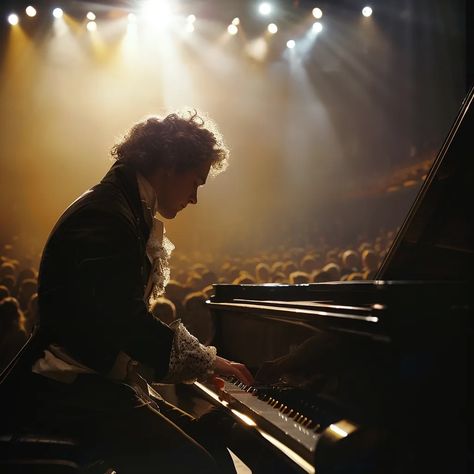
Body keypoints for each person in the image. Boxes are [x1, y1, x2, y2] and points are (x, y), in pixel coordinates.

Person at [1, 110, 253, 473]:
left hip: (93, 381)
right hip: (65, 387)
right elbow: (126, 323)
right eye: (195, 182)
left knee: (209, 443)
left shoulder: (123, 207)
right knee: (197, 466)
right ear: (168, 165)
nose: (195, 198)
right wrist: (212, 362)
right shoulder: (106, 215)